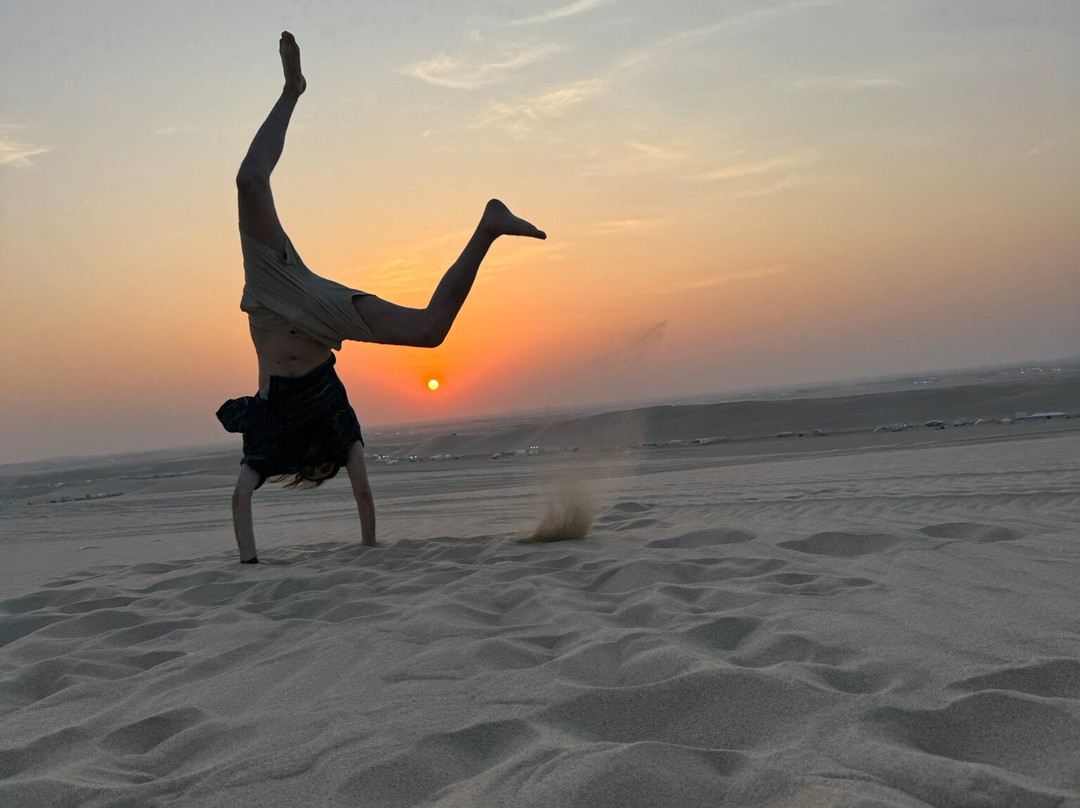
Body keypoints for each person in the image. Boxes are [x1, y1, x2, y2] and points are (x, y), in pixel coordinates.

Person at [219, 32, 546, 563]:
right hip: (321, 314)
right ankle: (488, 227)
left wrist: (250, 564)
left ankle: (292, 88)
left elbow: (238, 501)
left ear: (311, 467)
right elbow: (365, 496)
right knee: (430, 332)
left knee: (249, 181)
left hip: (275, 291)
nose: (329, 472)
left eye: (323, 472)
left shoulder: (267, 440)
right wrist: (369, 549)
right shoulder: (337, 427)